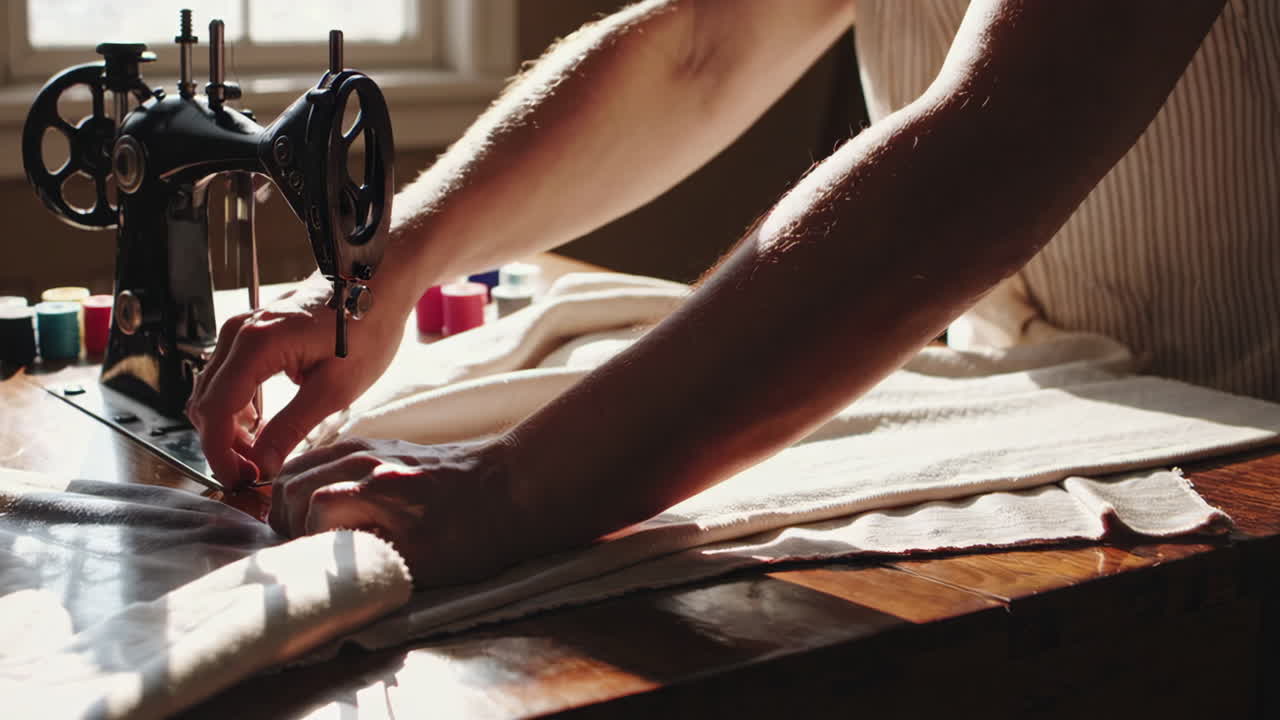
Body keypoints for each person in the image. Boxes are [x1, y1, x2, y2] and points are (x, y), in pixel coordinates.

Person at [187, 0, 1273, 587]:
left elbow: (996, 149)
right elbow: (703, 43)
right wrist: (394, 261)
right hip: (1059, 414)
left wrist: (510, 492)